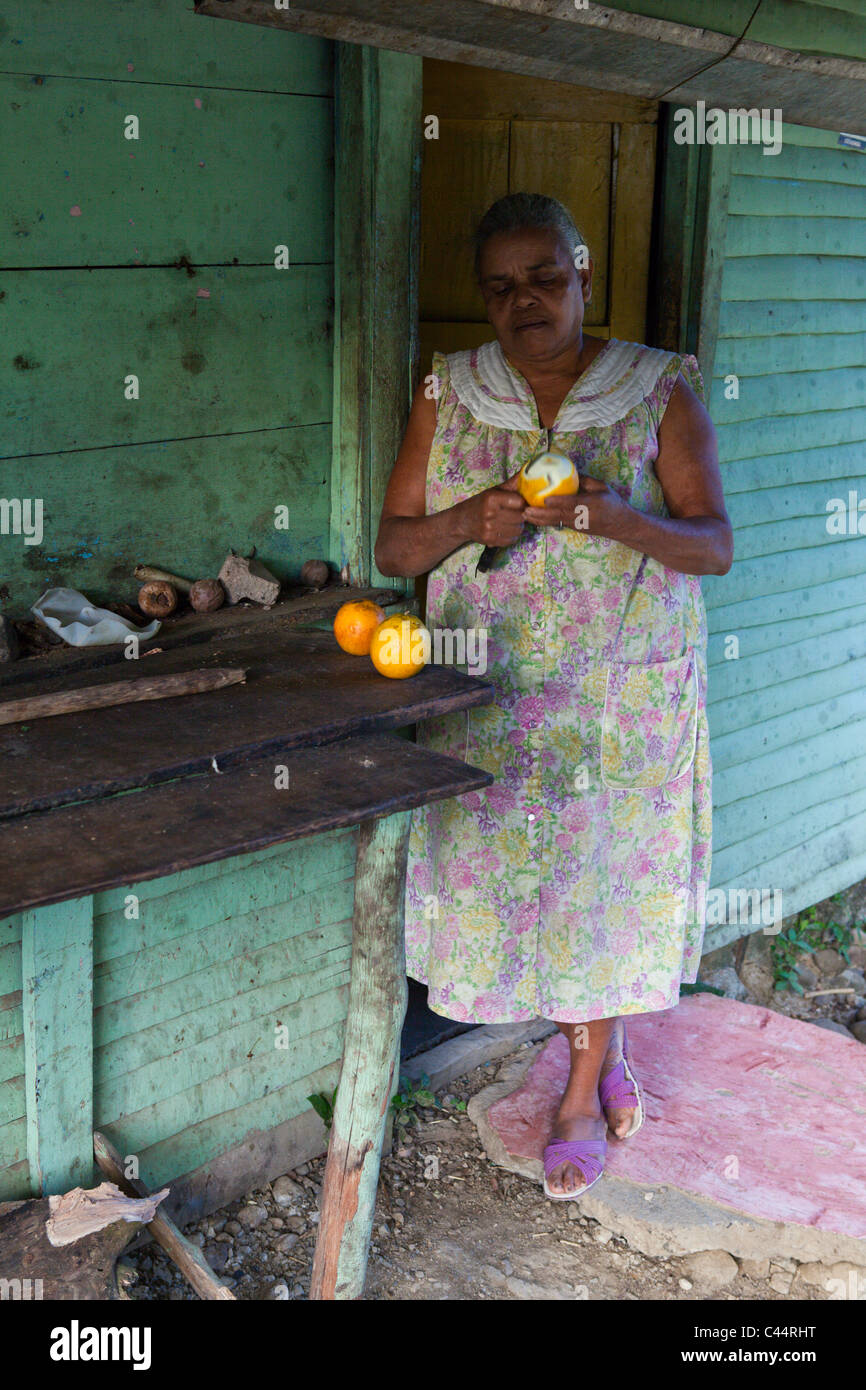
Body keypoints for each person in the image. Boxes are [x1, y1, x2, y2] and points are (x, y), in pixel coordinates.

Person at [374, 192, 732, 1199]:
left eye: (542, 276)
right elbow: (393, 546)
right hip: (486, 696)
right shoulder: (448, 394)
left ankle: (581, 1087)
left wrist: (615, 520)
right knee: (519, 889)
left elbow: (712, 546)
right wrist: (466, 519)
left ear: (581, 273)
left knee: (598, 892)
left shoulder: (653, 392)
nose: (521, 300)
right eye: (498, 287)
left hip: (617, 703)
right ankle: (602, 1054)